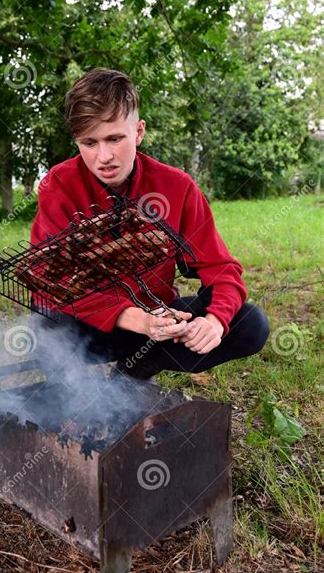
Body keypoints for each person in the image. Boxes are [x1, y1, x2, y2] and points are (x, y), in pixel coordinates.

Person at [29, 67, 269, 380]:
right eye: (90, 143)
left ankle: (137, 368)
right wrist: (138, 319)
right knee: (48, 326)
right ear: (77, 141)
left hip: (154, 329)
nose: (104, 157)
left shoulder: (177, 187)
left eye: (115, 139)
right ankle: (69, 393)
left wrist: (214, 321)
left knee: (251, 323)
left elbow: (222, 269)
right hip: (88, 329)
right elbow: (49, 281)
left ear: (139, 132)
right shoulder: (59, 184)